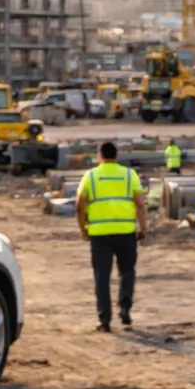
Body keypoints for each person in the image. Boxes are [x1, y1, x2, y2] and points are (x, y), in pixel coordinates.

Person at [75, 142, 146, 333]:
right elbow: (139, 204)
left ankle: (105, 319)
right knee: (127, 272)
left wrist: (83, 229)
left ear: (100, 156)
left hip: (100, 235)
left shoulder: (90, 176)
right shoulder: (130, 175)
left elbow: (80, 206)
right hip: (126, 232)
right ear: (117, 156)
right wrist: (143, 228)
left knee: (102, 277)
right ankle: (125, 309)